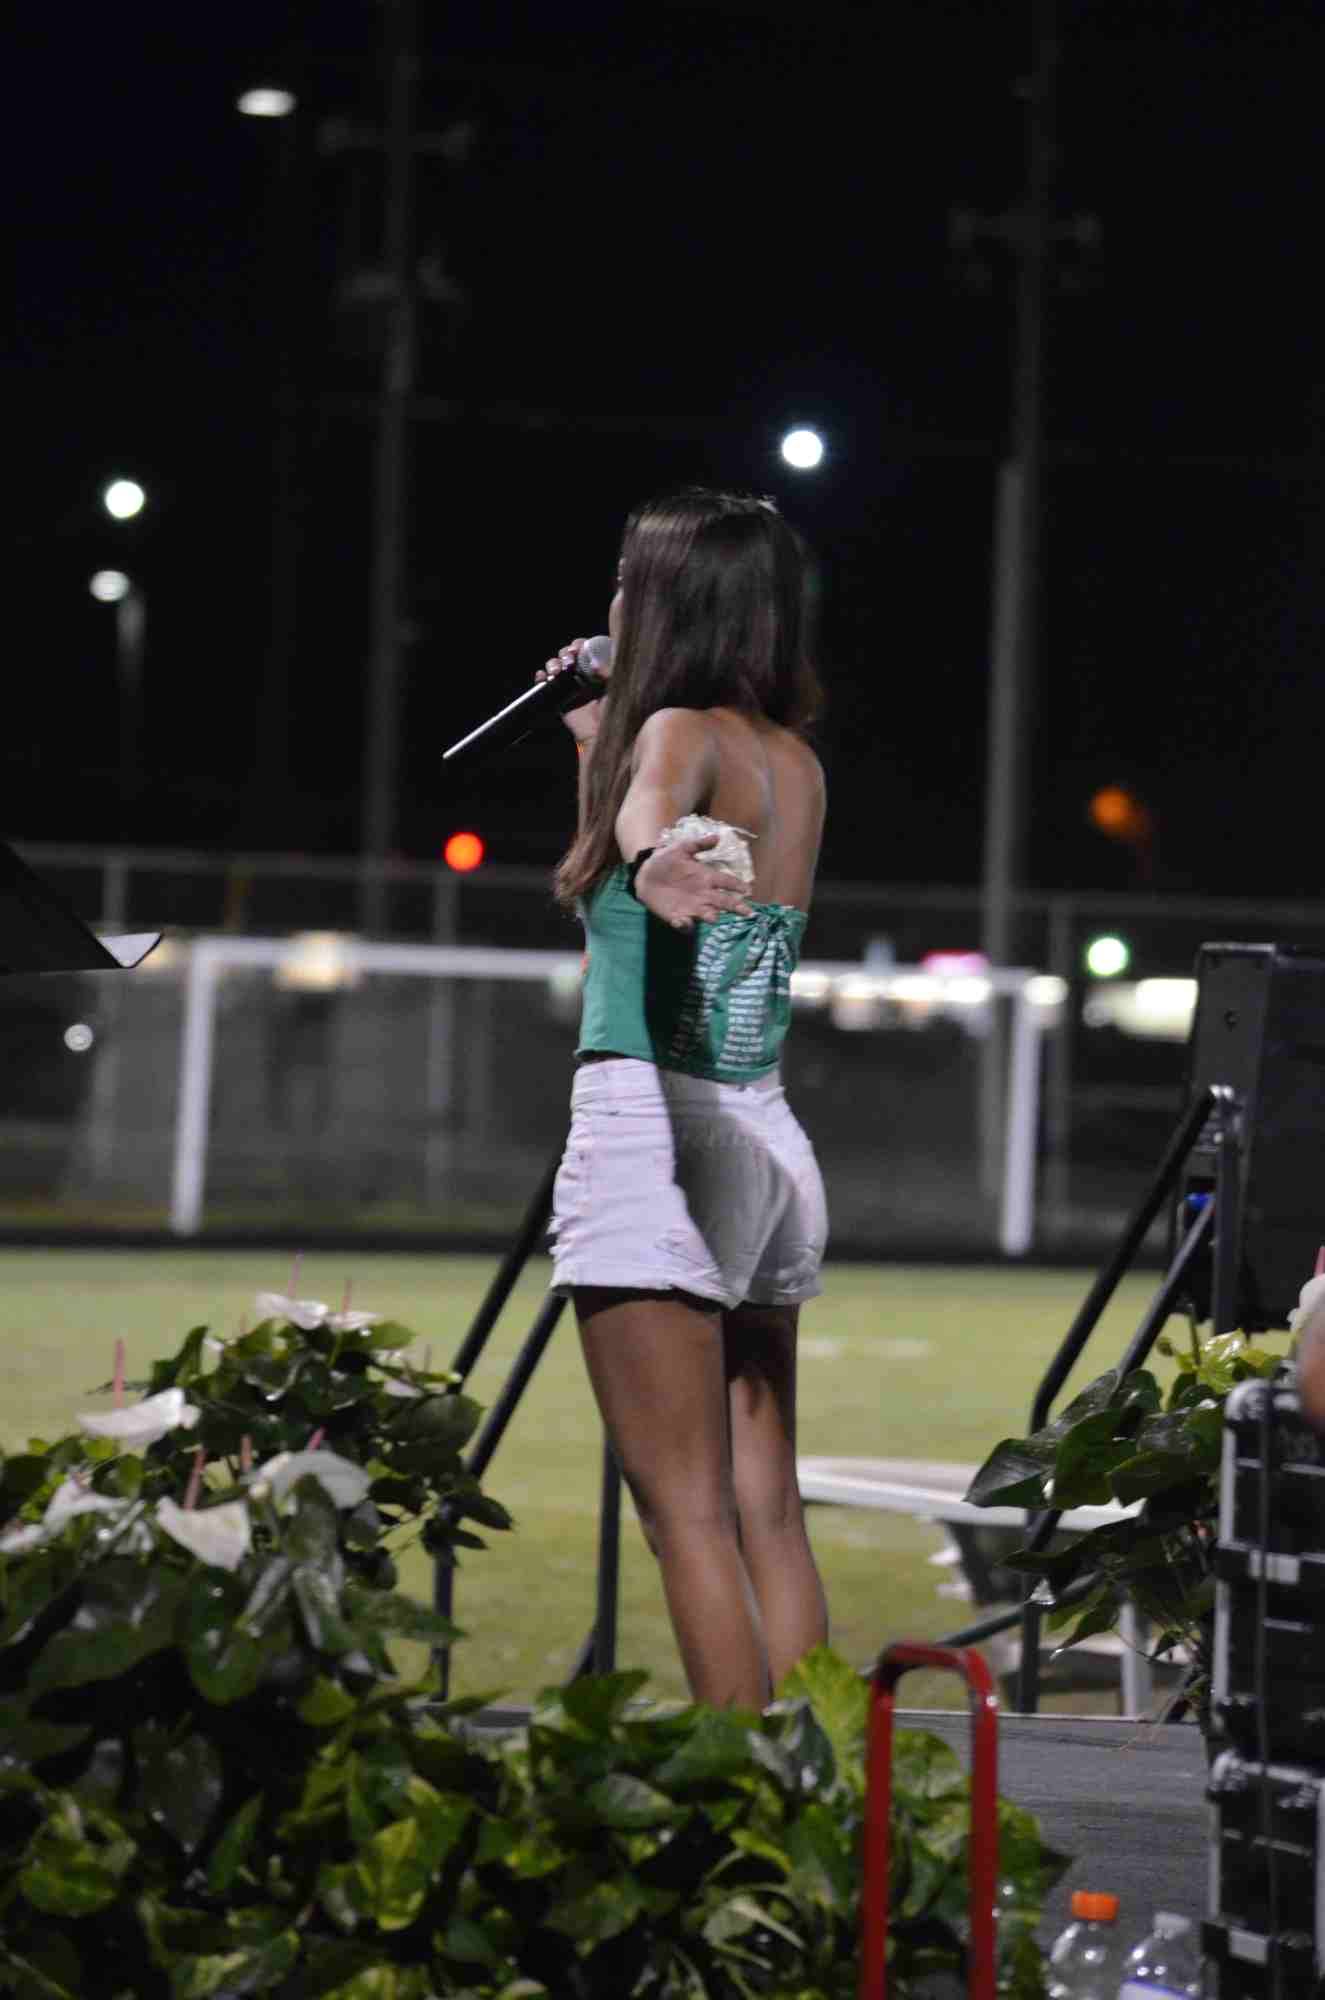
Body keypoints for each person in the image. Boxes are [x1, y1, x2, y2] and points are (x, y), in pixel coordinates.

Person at [538, 487, 830, 1709]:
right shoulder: (791, 761)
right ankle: (828, 1788)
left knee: (685, 1515)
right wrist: (593, 747)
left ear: (667, 603)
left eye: (627, 578)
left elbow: (651, 825)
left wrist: (655, 847)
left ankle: (743, 1796)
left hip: (653, 1131)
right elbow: (626, 878)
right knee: (766, 1507)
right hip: (757, 1130)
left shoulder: (672, 733)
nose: (611, 598)